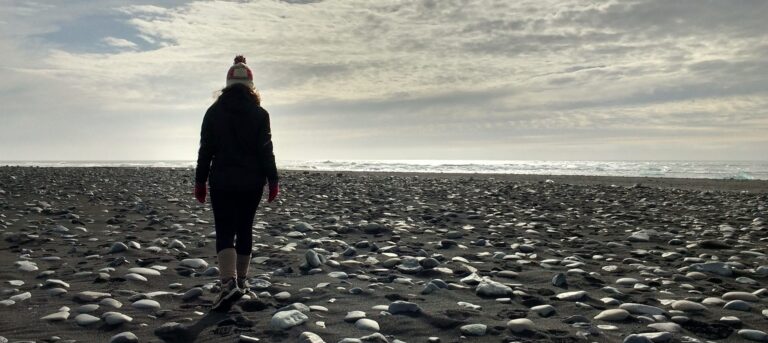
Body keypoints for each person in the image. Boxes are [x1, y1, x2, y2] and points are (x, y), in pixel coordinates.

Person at [194, 55, 279, 312]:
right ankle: (241, 282)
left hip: (222, 181)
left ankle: (227, 282)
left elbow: (205, 150)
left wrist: (200, 181)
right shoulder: (260, 114)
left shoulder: (213, 112)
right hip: (252, 182)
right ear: (252, 87)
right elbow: (266, 150)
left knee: (224, 230)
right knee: (244, 229)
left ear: (227, 85)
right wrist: (273, 180)